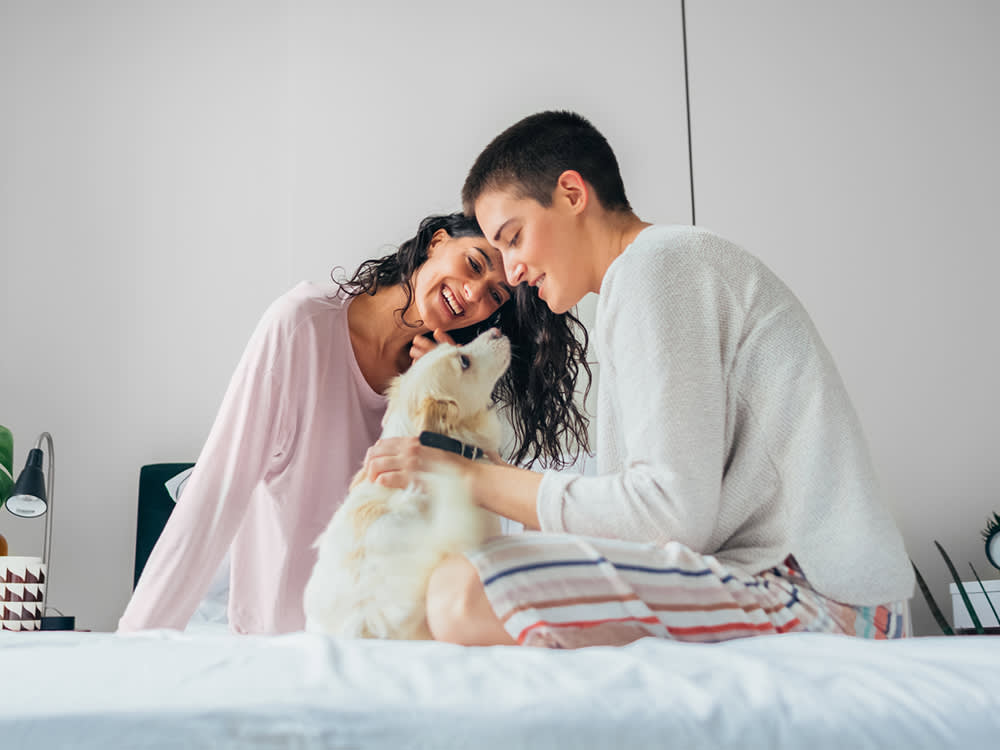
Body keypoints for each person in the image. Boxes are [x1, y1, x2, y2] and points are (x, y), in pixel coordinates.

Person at [363, 111, 915, 648]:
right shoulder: (653, 273)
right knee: (461, 585)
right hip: (789, 582)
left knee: (464, 590)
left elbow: (667, 517)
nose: (512, 273)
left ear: (572, 194)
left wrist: (469, 476)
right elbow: (658, 518)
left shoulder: (656, 269)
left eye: (512, 238)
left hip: (822, 596)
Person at [118, 212, 591, 635]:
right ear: (436, 241)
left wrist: (437, 399)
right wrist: (136, 641)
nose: (473, 294)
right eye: (473, 264)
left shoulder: (440, 382)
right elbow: (218, 490)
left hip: (383, 646)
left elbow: (477, 507)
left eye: (495, 294)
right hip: (282, 638)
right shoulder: (301, 327)